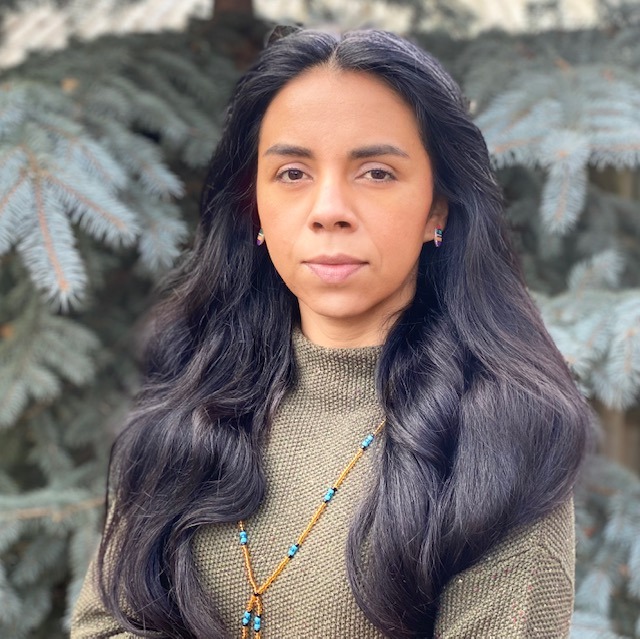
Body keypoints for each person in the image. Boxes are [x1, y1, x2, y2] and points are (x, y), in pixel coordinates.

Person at [71, 26, 592, 639]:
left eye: (375, 172)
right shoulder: (185, 399)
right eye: (292, 173)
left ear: (437, 208)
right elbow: (105, 624)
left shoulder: (505, 437)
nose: (328, 209)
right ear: (255, 209)